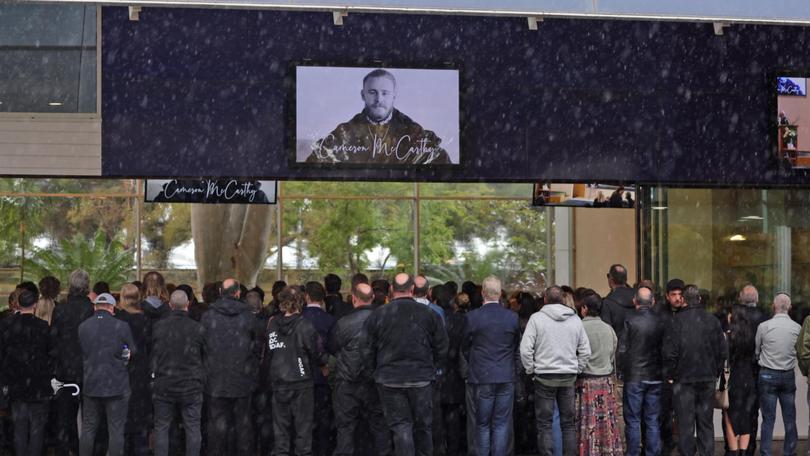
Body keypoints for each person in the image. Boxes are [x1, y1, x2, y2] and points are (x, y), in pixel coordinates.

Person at [363, 272, 449, 456]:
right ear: (412, 289)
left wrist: (374, 372)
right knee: (423, 427)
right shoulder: (429, 313)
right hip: (421, 379)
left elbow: (366, 349)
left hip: (389, 380)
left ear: (392, 290)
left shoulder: (378, 314)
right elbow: (442, 346)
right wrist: (435, 369)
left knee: (401, 427)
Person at [306, 69, 451, 165]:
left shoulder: (414, 132)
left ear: (394, 95)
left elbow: (442, 165)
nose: (379, 99)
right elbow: (314, 162)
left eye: (385, 93)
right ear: (363, 95)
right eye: (373, 92)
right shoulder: (344, 132)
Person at [520, 286, 591, 456]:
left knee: (544, 423)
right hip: (567, 377)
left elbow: (525, 350)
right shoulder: (574, 319)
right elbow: (586, 350)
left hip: (544, 377)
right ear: (562, 299)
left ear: (545, 299)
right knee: (568, 423)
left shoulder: (536, 319)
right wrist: (577, 368)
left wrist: (531, 370)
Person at [327, 283, 392, 456]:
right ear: (372, 298)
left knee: (345, 429)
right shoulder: (384, 320)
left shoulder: (343, 322)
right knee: (380, 428)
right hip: (375, 382)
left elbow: (332, 347)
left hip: (348, 383)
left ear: (353, 298)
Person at [662, 284, 727, 456]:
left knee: (685, 424)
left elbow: (670, 353)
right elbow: (722, 351)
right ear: (699, 299)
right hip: (706, 379)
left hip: (683, 381)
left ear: (683, 300)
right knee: (705, 423)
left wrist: (670, 374)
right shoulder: (712, 321)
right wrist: (716, 372)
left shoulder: (676, 322)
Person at [200, 278, 262, 456]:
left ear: (221, 293)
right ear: (238, 293)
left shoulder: (208, 317)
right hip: (243, 379)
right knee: (243, 427)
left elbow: (201, 347)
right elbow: (258, 347)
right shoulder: (248, 317)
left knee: (217, 429)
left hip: (215, 381)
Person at [463, 276, 520, 456]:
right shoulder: (511, 317)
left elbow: (464, 347)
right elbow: (516, 346)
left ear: (482, 293)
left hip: (481, 376)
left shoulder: (472, 317)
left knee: (481, 424)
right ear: (500, 293)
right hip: (505, 375)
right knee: (501, 424)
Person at [266, 285, 327, 456]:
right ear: (301, 302)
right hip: (301, 382)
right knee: (303, 432)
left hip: (279, 382)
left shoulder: (272, 324)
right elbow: (316, 352)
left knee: (281, 434)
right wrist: (323, 364)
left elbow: (270, 352)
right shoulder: (305, 326)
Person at [78, 293, 137, 456]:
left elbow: (82, 352)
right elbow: (133, 350)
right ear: (112, 308)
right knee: (116, 430)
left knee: (88, 428)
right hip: (116, 384)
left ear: (95, 307)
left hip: (91, 383)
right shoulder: (122, 326)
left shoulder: (83, 326)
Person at [151, 289, 205, 456]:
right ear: (188, 305)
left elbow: (155, 353)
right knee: (193, 427)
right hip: (191, 385)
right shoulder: (197, 328)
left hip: (164, 384)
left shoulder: (159, 327)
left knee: (161, 427)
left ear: (170, 305)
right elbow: (205, 354)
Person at [0, 290, 52, 456]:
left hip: (15, 385)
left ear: (17, 304)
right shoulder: (43, 327)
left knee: (19, 429)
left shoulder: (6, 325)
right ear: (35, 305)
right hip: (38, 386)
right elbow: (50, 356)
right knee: (37, 430)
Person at [50, 269, 95, 456]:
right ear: (87, 286)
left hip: (64, 369)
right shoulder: (91, 310)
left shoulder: (60, 309)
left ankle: (65, 448)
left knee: (65, 416)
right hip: (88, 369)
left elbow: (54, 339)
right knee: (89, 417)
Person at [618, 285, 664, 456]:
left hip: (634, 377)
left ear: (634, 301)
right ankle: (652, 452)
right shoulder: (660, 321)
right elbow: (665, 349)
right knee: (652, 420)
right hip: (656, 376)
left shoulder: (629, 319)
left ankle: (633, 453)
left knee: (633, 420)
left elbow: (622, 349)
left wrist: (622, 370)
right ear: (653, 301)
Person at [575, 292, 622, 455]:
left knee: (588, 422)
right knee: (607, 422)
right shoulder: (609, 329)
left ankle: (588, 450)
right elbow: (612, 353)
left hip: (586, 383)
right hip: (606, 382)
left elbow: (576, 354)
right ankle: (608, 450)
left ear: (584, 309)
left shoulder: (579, 328)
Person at [722, 286, 766, 456]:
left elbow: (725, 350)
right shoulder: (763, 318)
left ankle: (731, 450)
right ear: (757, 298)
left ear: (740, 298)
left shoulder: (732, 321)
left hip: (734, 373)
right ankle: (748, 450)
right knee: (750, 413)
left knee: (730, 413)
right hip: (753, 372)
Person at [755, 293, 801, 456]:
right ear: (789, 307)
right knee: (790, 418)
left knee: (768, 419)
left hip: (767, 375)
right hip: (788, 375)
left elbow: (756, 351)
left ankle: (765, 453)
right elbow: (800, 352)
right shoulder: (797, 328)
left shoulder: (763, 326)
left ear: (773, 307)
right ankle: (789, 452)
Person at [115, 283, 152, 456]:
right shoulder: (145, 320)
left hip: (120, 372)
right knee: (140, 420)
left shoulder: (117, 320)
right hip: (140, 372)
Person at [302, 281, 336, 456]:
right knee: (323, 418)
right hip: (323, 374)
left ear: (306, 296)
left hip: (301, 375)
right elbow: (333, 348)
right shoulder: (329, 320)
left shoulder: (299, 318)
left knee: (303, 418)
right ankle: (322, 449)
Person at [657, 278, 684, 454]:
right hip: (664, 371)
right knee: (665, 413)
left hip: (684, 370)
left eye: (680, 294)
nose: (677, 298)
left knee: (684, 412)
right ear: (667, 296)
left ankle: (683, 444)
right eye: (673, 294)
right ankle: (667, 444)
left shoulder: (688, 314)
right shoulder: (660, 314)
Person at [600, 264, 635, 340]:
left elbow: (607, 332)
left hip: (618, 346)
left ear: (611, 279)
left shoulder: (607, 302)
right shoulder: (638, 296)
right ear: (626, 279)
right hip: (637, 345)